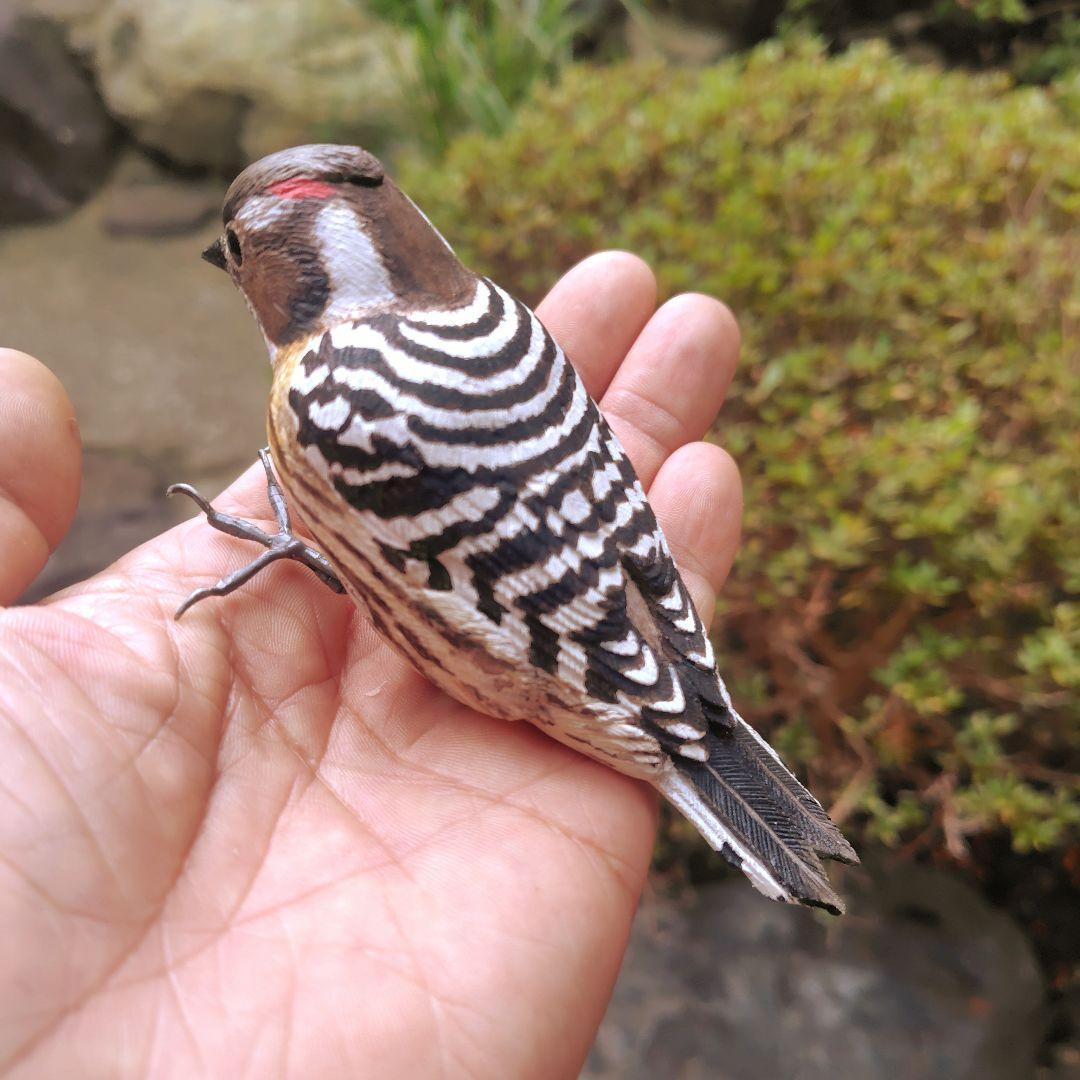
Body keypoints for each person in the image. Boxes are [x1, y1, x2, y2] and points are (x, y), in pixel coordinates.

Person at [0, 252, 742, 1077]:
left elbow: (440, 577)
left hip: (536, 644)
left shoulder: (322, 386)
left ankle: (698, 743)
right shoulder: (492, 318)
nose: (233, 270)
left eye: (242, 255)